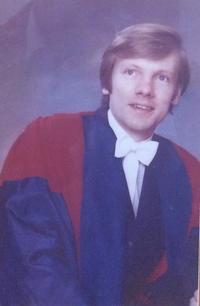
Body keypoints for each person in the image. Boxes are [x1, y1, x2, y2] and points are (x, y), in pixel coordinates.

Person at [0, 23, 199, 306]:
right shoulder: (46, 139)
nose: (145, 89)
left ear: (176, 94)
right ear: (107, 82)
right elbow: (34, 263)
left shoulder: (190, 172)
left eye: (162, 78)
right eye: (131, 72)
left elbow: (180, 281)